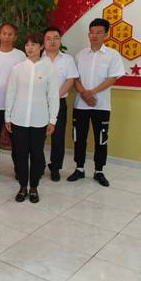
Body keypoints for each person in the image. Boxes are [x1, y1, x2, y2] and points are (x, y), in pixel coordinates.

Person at [68, 18, 125, 187]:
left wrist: (91, 93)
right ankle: (79, 168)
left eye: (99, 32)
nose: (95, 36)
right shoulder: (80, 55)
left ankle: (99, 171)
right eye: (92, 32)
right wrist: (84, 94)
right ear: (88, 34)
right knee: (79, 138)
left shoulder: (113, 55)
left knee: (101, 139)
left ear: (106, 34)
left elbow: (112, 79)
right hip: (81, 105)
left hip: (101, 106)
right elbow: (75, 78)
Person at [5, 33, 59, 203]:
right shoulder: (17, 69)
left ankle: (34, 187)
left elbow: (53, 96)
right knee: (20, 154)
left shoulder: (48, 68)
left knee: (36, 154)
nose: (30, 48)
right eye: (27, 45)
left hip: (39, 120)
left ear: (41, 47)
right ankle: (22, 186)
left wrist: (53, 119)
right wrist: (8, 116)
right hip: (18, 119)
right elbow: (11, 93)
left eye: (34, 44)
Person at [0, 23, 26, 178]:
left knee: (16, 138)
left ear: (15, 37)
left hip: (14, 104)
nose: (7, 37)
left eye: (10, 34)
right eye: (4, 33)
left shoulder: (20, 55)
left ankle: (18, 167)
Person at [42, 27, 79, 181]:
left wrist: (54, 97)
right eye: (48, 38)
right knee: (38, 136)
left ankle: (55, 167)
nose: (52, 41)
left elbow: (70, 80)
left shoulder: (68, 59)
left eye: (56, 38)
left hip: (59, 102)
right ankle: (39, 165)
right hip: (39, 104)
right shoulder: (38, 58)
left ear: (60, 40)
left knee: (58, 137)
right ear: (44, 42)